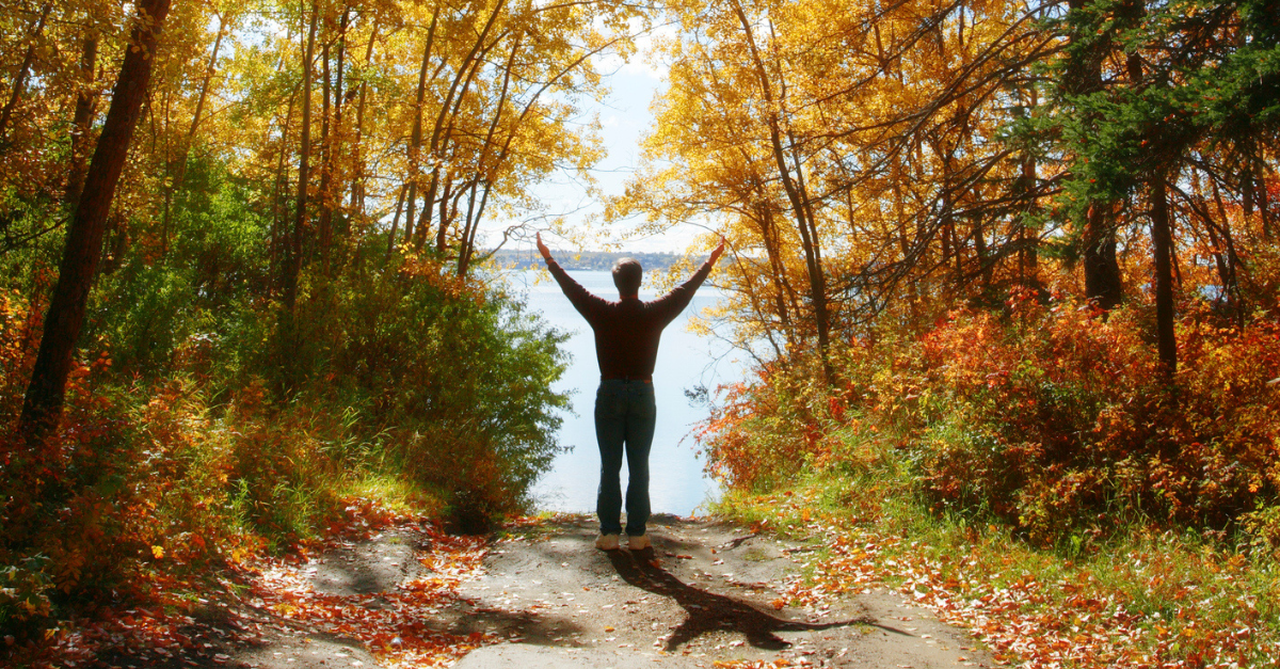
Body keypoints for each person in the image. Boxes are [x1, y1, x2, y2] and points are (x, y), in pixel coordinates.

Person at [536, 233, 725, 551]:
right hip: (642, 393)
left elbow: (571, 288)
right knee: (640, 464)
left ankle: (609, 533)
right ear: (640, 282)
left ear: (616, 283)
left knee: (610, 465)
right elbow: (686, 290)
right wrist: (710, 260)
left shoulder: (601, 311)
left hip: (609, 392)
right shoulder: (654, 312)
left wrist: (549, 257)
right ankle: (637, 534)